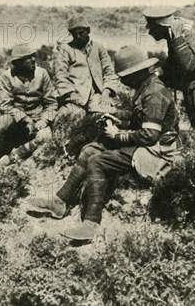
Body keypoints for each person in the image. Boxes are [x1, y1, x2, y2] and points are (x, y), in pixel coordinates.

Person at [29, 46, 180, 240]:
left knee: (97, 161)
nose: (123, 81)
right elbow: (140, 124)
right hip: (147, 145)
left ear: (136, 73)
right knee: (89, 150)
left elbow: (150, 135)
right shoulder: (146, 87)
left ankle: (91, 223)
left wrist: (117, 135)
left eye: (125, 76)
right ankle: (60, 202)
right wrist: (119, 122)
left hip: (157, 153)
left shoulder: (154, 93)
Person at [0, 43, 57, 168]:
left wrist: (44, 121)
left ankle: (11, 158)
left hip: (38, 119)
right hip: (17, 121)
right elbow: (5, 105)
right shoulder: (7, 76)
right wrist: (25, 119)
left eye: (33, 56)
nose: (33, 60)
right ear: (18, 63)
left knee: (45, 136)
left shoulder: (42, 73)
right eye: (28, 58)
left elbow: (51, 103)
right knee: (2, 122)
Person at [54, 16, 120, 117]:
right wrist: (70, 93)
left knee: (108, 115)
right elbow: (60, 75)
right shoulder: (65, 49)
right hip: (75, 96)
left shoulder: (98, 47)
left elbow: (109, 72)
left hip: (98, 95)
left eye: (81, 33)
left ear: (88, 31)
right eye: (74, 34)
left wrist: (106, 92)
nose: (78, 36)